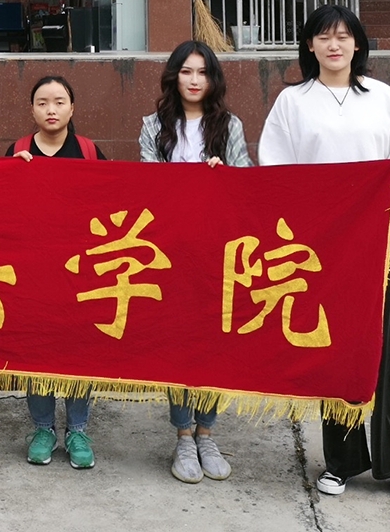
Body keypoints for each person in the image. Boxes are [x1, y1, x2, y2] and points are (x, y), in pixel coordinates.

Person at [257, 4, 390, 510]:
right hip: (325, 254)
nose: (334, 45)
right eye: (323, 37)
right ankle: (341, 461)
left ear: (358, 44)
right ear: (309, 45)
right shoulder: (292, 102)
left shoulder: (383, 97)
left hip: (387, 250)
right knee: (338, 357)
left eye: (343, 36)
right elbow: (277, 175)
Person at [138, 40, 249, 484]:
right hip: (171, 250)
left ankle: (207, 433)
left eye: (202, 72)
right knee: (179, 343)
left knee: (213, 342)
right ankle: (183, 435)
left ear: (213, 78)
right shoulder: (153, 125)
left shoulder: (229, 125)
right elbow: (147, 182)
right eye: (186, 71)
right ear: (173, 76)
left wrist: (224, 177)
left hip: (216, 251)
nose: (194, 80)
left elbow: (247, 181)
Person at [7, 76, 104, 469]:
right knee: (38, 350)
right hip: (33, 270)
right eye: (43, 102)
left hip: (80, 270)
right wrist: (11, 172)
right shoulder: (17, 150)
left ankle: (78, 430)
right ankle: (43, 429)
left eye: (59, 101)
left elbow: (113, 201)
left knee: (79, 351)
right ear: (32, 109)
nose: (51, 109)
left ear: (72, 108)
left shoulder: (89, 151)